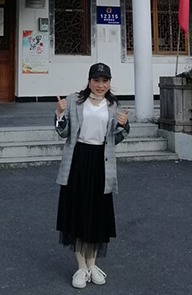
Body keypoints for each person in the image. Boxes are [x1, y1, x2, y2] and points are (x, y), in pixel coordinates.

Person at [54, 62, 130, 289]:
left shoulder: (113, 105)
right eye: (96, 80)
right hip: (78, 160)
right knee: (78, 212)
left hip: (101, 163)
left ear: (109, 83)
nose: (100, 85)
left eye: (105, 81)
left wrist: (124, 126)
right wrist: (60, 114)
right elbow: (63, 133)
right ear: (89, 81)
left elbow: (115, 139)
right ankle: (81, 268)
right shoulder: (74, 101)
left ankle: (92, 264)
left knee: (97, 214)